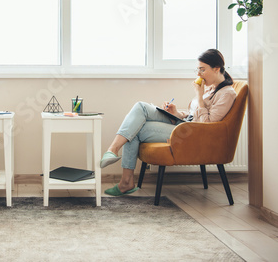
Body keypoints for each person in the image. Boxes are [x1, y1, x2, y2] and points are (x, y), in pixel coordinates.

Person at [100, 49, 237, 196]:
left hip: (193, 134)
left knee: (135, 129)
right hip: (185, 124)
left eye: (202, 70)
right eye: (198, 69)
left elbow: (208, 125)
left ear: (216, 69)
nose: (198, 74)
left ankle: (125, 179)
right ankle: (113, 152)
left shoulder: (227, 93)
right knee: (141, 107)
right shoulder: (210, 88)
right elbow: (194, 115)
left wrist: (199, 95)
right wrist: (176, 113)